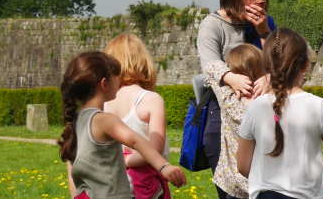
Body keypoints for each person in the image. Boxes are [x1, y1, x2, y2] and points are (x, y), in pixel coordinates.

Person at [236, 29, 323, 199]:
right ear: (305, 65)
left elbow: (243, 166)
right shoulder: (318, 106)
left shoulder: (255, 107)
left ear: (266, 66)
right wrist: (311, 179)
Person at [60, 51, 186, 199]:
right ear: (104, 84)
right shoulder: (105, 120)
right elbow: (135, 140)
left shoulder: (76, 121)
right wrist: (164, 166)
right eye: (116, 76)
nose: (120, 81)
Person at [197, 0, 277, 177]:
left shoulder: (266, 23)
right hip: (223, 121)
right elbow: (209, 62)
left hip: (264, 119)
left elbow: (281, 62)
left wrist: (263, 31)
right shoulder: (212, 25)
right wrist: (229, 76)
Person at [102, 34, 172, 199]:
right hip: (147, 184)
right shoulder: (151, 99)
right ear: (143, 62)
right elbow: (155, 149)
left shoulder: (104, 102)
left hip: (112, 181)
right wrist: (127, 161)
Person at [211, 44, 268, 198]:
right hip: (264, 182)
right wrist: (269, 77)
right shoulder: (271, 99)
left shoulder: (227, 98)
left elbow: (211, 69)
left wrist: (230, 77)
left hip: (232, 182)